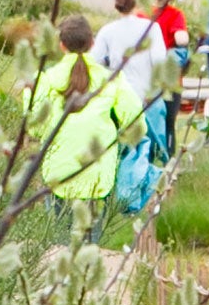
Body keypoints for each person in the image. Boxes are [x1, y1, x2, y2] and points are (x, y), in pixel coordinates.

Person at [26, 15, 142, 243]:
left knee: (57, 247)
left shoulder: (45, 80)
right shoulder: (112, 80)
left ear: (61, 45)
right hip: (97, 175)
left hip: (58, 172)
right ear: (92, 42)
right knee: (90, 248)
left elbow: (34, 127)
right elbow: (136, 122)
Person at [93, 0, 171, 181]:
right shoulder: (151, 28)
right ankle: (152, 181)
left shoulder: (107, 31)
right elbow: (159, 61)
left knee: (123, 145)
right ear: (139, 3)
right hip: (147, 94)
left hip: (120, 97)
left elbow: (95, 61)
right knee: (154, 145)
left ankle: (122, 183)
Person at [149, 0, 192, 155]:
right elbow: (182, 39)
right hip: (170, 79)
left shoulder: (141, 14)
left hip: (145, 78)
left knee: (147, 123)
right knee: (169, 123)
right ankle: (168, 159)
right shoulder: (175, 14)